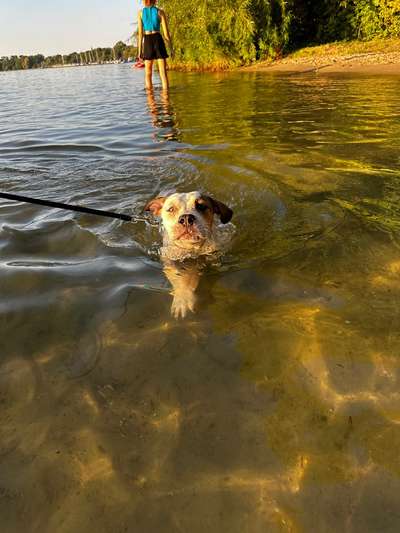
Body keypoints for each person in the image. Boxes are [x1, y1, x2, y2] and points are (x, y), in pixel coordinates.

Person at [137, 0, 173, 91]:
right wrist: (171, 49)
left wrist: (139, 51)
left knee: (148, 74)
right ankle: (166, 101)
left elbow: (140, 34)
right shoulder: (160, 12)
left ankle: (151, 103)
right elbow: (166, 34)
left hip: (148, 40)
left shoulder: (140, 13)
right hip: (158, 39)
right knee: (163, 73)